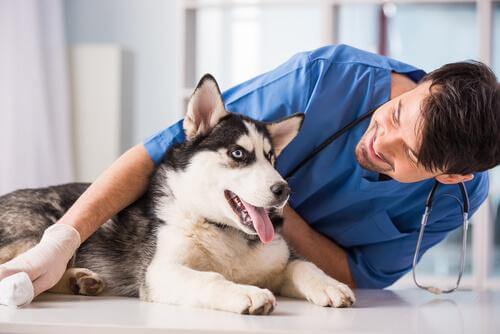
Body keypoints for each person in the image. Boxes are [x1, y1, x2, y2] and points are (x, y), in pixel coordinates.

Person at [1, 44, 499, 297]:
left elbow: (359, 276)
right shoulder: (325, 77)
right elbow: (160, 151)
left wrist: (276, 210)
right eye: (394, 112)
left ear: (450, 177)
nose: (377, 139)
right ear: (425, 82)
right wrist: (61, 240)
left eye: (402, 152)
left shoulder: (460, 200)